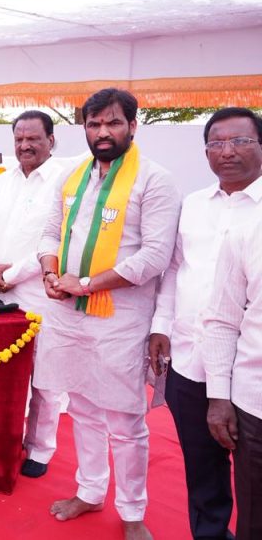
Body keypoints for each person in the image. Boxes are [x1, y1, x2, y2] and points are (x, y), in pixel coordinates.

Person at [38, 89, 179, 540]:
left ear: (133, 126)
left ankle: (132, 512)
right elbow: (50, 232)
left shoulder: (155, 180)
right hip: (68, 312)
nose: (103, 132)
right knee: (81, 407)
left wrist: (86, 284)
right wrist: (50, 273)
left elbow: (154, 256)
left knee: (124, 420)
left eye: (113, 123)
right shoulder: (71, 175)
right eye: (94, 124)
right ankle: (90, 490)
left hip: (120, 318)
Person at [150, 107, 262, 540]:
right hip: (190, 357)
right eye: (217, 143)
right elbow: (175, 268)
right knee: (202, 467)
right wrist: (161, 324)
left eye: (240, 141)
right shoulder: (193, 205)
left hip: (250, 370)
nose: (227, 152)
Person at [0, 110, 70, 479]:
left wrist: (11, 275)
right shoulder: (2, 181)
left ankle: (40, 449)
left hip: (39, 292)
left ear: (51, 140)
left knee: (44, 376)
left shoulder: (65, 181)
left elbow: (56, 239)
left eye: (33, 138)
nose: (25, 145)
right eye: (19, 139)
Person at [203, 198, 262, 540]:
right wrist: (218, 397)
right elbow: (223, 320)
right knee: (255, 520)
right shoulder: (247, 231)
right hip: (255, 406)